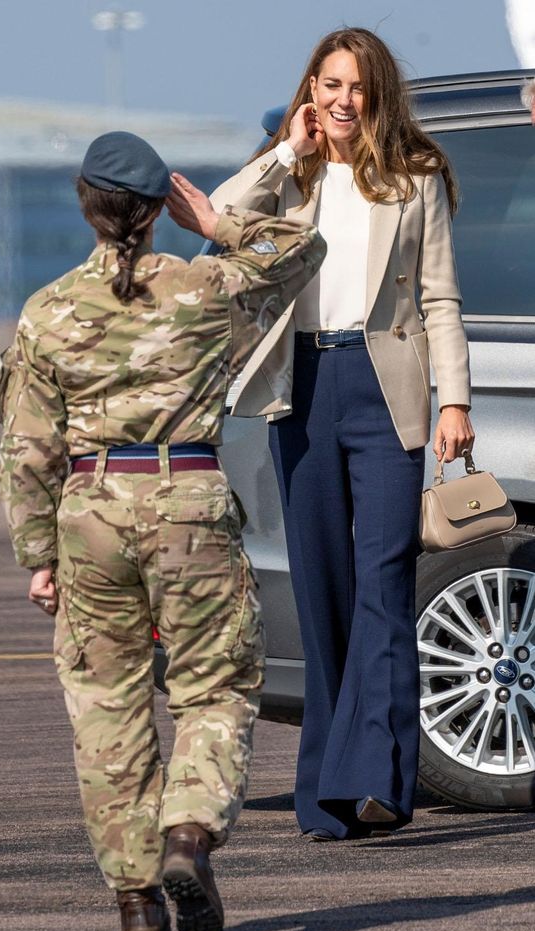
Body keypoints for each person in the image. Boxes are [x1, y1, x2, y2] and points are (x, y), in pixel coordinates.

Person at [0, 131, 325, 931]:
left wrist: (37, 556)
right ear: (152, 212)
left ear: (86, 205)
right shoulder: (205, 287)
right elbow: (299, 247)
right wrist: (212, 222)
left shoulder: (48, 312)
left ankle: (136, 902)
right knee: (212, 687)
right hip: (188, 500)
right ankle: (188, 836)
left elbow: (26, 449)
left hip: (91, 510)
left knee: (107, 707)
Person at [210, 28, 475, 841]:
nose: (341, 99)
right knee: (321, 581)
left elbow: (438, 299)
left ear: (376, 93)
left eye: (356, 86)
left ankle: (380, 779)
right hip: (303, 386)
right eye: (328, 84)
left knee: (383, 580)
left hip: (383, 387)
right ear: (309, 91)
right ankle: (325, 789)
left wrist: (454, 401)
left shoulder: (415, 177)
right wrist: (283, 153)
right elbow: (217, 219)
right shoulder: (291, 175)